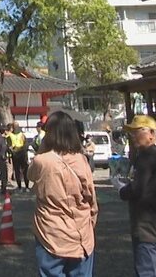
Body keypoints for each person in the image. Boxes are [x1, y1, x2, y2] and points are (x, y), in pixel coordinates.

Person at [29, 111, 97, 277]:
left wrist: (43, 147)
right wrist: (90, 221)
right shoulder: (81, 159)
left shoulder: (42, 161)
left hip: (51, 230)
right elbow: (91, 198)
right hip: (81, 232)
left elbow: (30, 176)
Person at [115, 114, 156, 277]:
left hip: (146, 224)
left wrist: (122, 189)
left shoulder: (147, 156)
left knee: (146, 270)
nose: (133, 136)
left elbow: (138, 189)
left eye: (137, 131)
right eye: (131, 132)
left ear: (152, 133)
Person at [9, 122, 30, 191]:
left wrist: (23, 151)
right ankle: (19, 186)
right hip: (15, 155)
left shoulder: (22, 135)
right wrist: (12, 151)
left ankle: (27, 186)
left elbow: (26, 145)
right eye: (14, 126)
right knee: (17, 171)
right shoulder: (10, 135)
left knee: (25, 170)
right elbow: (9, 145)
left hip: (22, 154)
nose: (16, 128)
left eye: (17, 126)